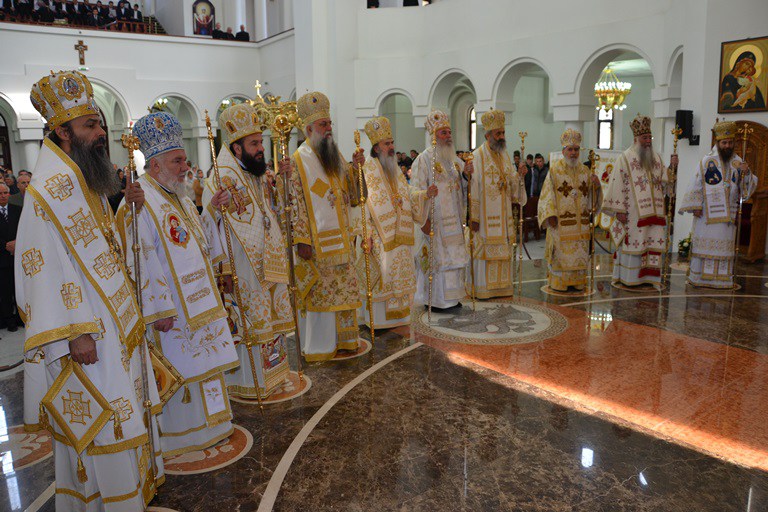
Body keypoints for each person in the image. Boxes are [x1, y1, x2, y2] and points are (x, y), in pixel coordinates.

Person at [17, 70, 163, 509]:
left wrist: (128, 213)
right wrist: (74, 333)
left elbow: (106, 251)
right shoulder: (46, 191)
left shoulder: (87, 179)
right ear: (62, 132)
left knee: (122, 416)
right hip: (86, 338)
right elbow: (37, 267)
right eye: (90, 126)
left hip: (114, 328)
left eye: (100, 123)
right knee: (105, 425)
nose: (102, 134)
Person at [118, 111, 239, 456]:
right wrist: (158, 309)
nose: (186, 165)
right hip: (173, 310)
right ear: (155, 165)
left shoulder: (180, 195)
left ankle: (215, 424)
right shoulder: (140, 201)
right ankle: (184, 436)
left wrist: (212, 212)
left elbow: (195, 239)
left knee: (206, 360)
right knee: (183, 363)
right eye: (178, 160)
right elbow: (138, 258)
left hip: (200, 300)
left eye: (184, 158)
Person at [203, 102, 295, 396]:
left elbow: (276, 210)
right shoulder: (218, 178)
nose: (260, 148)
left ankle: (275, 375)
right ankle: (248, 381)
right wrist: (223, 268)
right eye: (254, 143)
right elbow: (209, 226)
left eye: (260, 142)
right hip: (242, 265)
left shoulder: (261, 174)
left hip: (269, 262)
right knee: (250, 325)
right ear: (237, 148)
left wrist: (284, 180)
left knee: (271, 323)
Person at [289, 92, 364, 361]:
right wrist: (301, 239)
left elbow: (351, 193)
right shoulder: (299, 159)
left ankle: (345, 341)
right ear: (309, 129)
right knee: (321, 294)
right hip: (318, 243)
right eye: (323, 125)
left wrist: (356, 169)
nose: (329, 128)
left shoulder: (334, 153)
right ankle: (320, 346)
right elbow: (294, 200)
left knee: (342, 291)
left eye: (329, 123)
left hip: (342, 239)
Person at [359, 116, 435, 328]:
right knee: (383, 278)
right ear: (376, 148)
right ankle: (380, 321)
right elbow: (363, 205)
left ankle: (401, 317)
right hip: (380, 236)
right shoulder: (367, 171)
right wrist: (366, 236)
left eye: (392, 142)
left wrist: (424, 194)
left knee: (400, 275)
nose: (392, 147)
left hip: (400, 235)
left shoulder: (395, 170)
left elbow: (407, 193)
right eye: (387, 144)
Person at [602, 114, 678, 289]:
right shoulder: (625, 158)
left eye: (649, 137)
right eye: (645, 138)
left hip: (654, 214)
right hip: (633, 213)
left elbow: (666, 182)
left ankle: (650, 279)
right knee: (635, 244)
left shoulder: (657, 158)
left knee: (652, 242)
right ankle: (630, 278)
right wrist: (618, 209)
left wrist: (673, 168)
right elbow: (616, 183)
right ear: (636, 138)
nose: (648, 141)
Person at [679, 120, 756, 288]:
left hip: (728, 214)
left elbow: (746, 188)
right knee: (705, 244)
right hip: (707, 214)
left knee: (723, 246)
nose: (727, 145)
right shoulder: (707, 161)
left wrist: (747, 173)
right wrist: (696, 206)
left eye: (730, 142)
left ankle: (722, 280)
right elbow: (696, 183)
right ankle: (699, 278)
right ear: (718, 142)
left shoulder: (738, 162)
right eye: (724, 142)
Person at [411, 110, 471, 311]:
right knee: (439, 259)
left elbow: (461, 187)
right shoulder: (424, 159)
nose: (449, 136)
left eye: (449, 132)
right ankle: (436, 300)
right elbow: (414, 191)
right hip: (435, 222)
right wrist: (425, 198)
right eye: (444, 133)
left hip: (454, 221)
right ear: (434, 136)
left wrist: (466, 176)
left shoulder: (454, 161)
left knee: (454, 259)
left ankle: (453, 298)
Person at [468, 109, 527, 299]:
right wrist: (474, 216)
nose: (501, 137)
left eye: (503, 133)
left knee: (502, 251)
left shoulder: (505, 156)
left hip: (503, 217)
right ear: (487, 135)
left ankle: (501, 288)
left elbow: (510, 183)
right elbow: (474, 187)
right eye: (497, 133)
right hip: (485, 218)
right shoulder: (477, 156)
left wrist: (520, 177)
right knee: (484, 250)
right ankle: (483, 289)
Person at [538, 129, 602, 292]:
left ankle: (578, 281)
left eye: (576, 149)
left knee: (579, 255)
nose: (573, 153)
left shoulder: (585, 172)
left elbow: (592, 201)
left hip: (580, 225)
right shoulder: (554, 170)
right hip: (561, 224)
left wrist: (596, 186)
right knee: (561, 255)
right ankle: (559, 282)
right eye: (570, 149)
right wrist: (550, 215)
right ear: (563, 151)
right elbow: (546, 194)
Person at [0, 183, 21, 331]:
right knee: (5, 292)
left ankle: (21, 317)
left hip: (17, 257)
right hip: (2, 259)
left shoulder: (18, 210)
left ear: (9, 194)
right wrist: (5, 245)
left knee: (19, 290)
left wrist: (16, 243)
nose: (2, 196)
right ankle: (9, 319)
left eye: (5, 193)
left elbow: (24, 229)